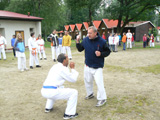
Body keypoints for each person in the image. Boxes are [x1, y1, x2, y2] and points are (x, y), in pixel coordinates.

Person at [76, 26, 111, 107]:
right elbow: (80, 49)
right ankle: (90, 93)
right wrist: (77, 42)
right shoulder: (85, 40)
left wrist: (101, 54)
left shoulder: (102, 41)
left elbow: (108, 51)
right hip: (88, 65)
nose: (88, 35)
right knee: (87, 80)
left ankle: (102, 98)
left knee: (99, 83)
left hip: (97, 66)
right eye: (88, 33)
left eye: (90, 33)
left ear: (95, 33)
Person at [41, 53, 79, 119]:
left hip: (44, 90)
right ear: (64, 60)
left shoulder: (54, 66)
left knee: (57, 88)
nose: (68, 60)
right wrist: (73, 69)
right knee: (74, 92)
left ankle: (48, 108)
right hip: (51, 92)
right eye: (67, 59)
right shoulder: (63, 69)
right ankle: (69, 114)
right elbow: (73, 79)